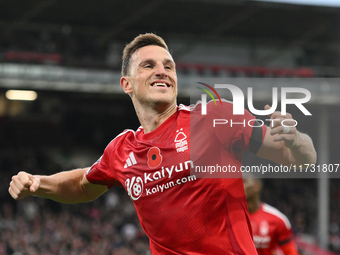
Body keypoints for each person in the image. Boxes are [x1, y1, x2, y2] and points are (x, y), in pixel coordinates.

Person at [9, 33, 316, 254]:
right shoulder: (122, 150)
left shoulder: (213, 116)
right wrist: (38, 182)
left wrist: (298, 140)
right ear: (126, 84)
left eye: (168, 66)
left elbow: (299, 159)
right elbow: (82, 184)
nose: (162, 71)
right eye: (148, 65)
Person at [243, 173, 300, 255]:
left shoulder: (277, 219)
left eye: (244, 182)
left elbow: (291, 253)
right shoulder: (226, 217)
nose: (239, 186)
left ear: (256, 186)